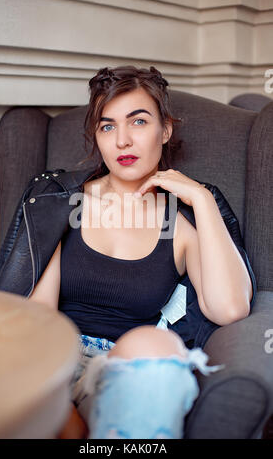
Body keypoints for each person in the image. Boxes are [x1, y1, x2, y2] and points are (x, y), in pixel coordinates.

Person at [28, 66, 253, 439]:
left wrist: (202, 199)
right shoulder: (65, 202)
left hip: (128, 369)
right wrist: (61, 407)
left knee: (157, 343)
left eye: (139, 122)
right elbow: (37, 316)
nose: (122, 141)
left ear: (164, 130)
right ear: (97, 138)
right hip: (53, 361)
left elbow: (229, 308)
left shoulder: (181, 221)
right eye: (108, 126)